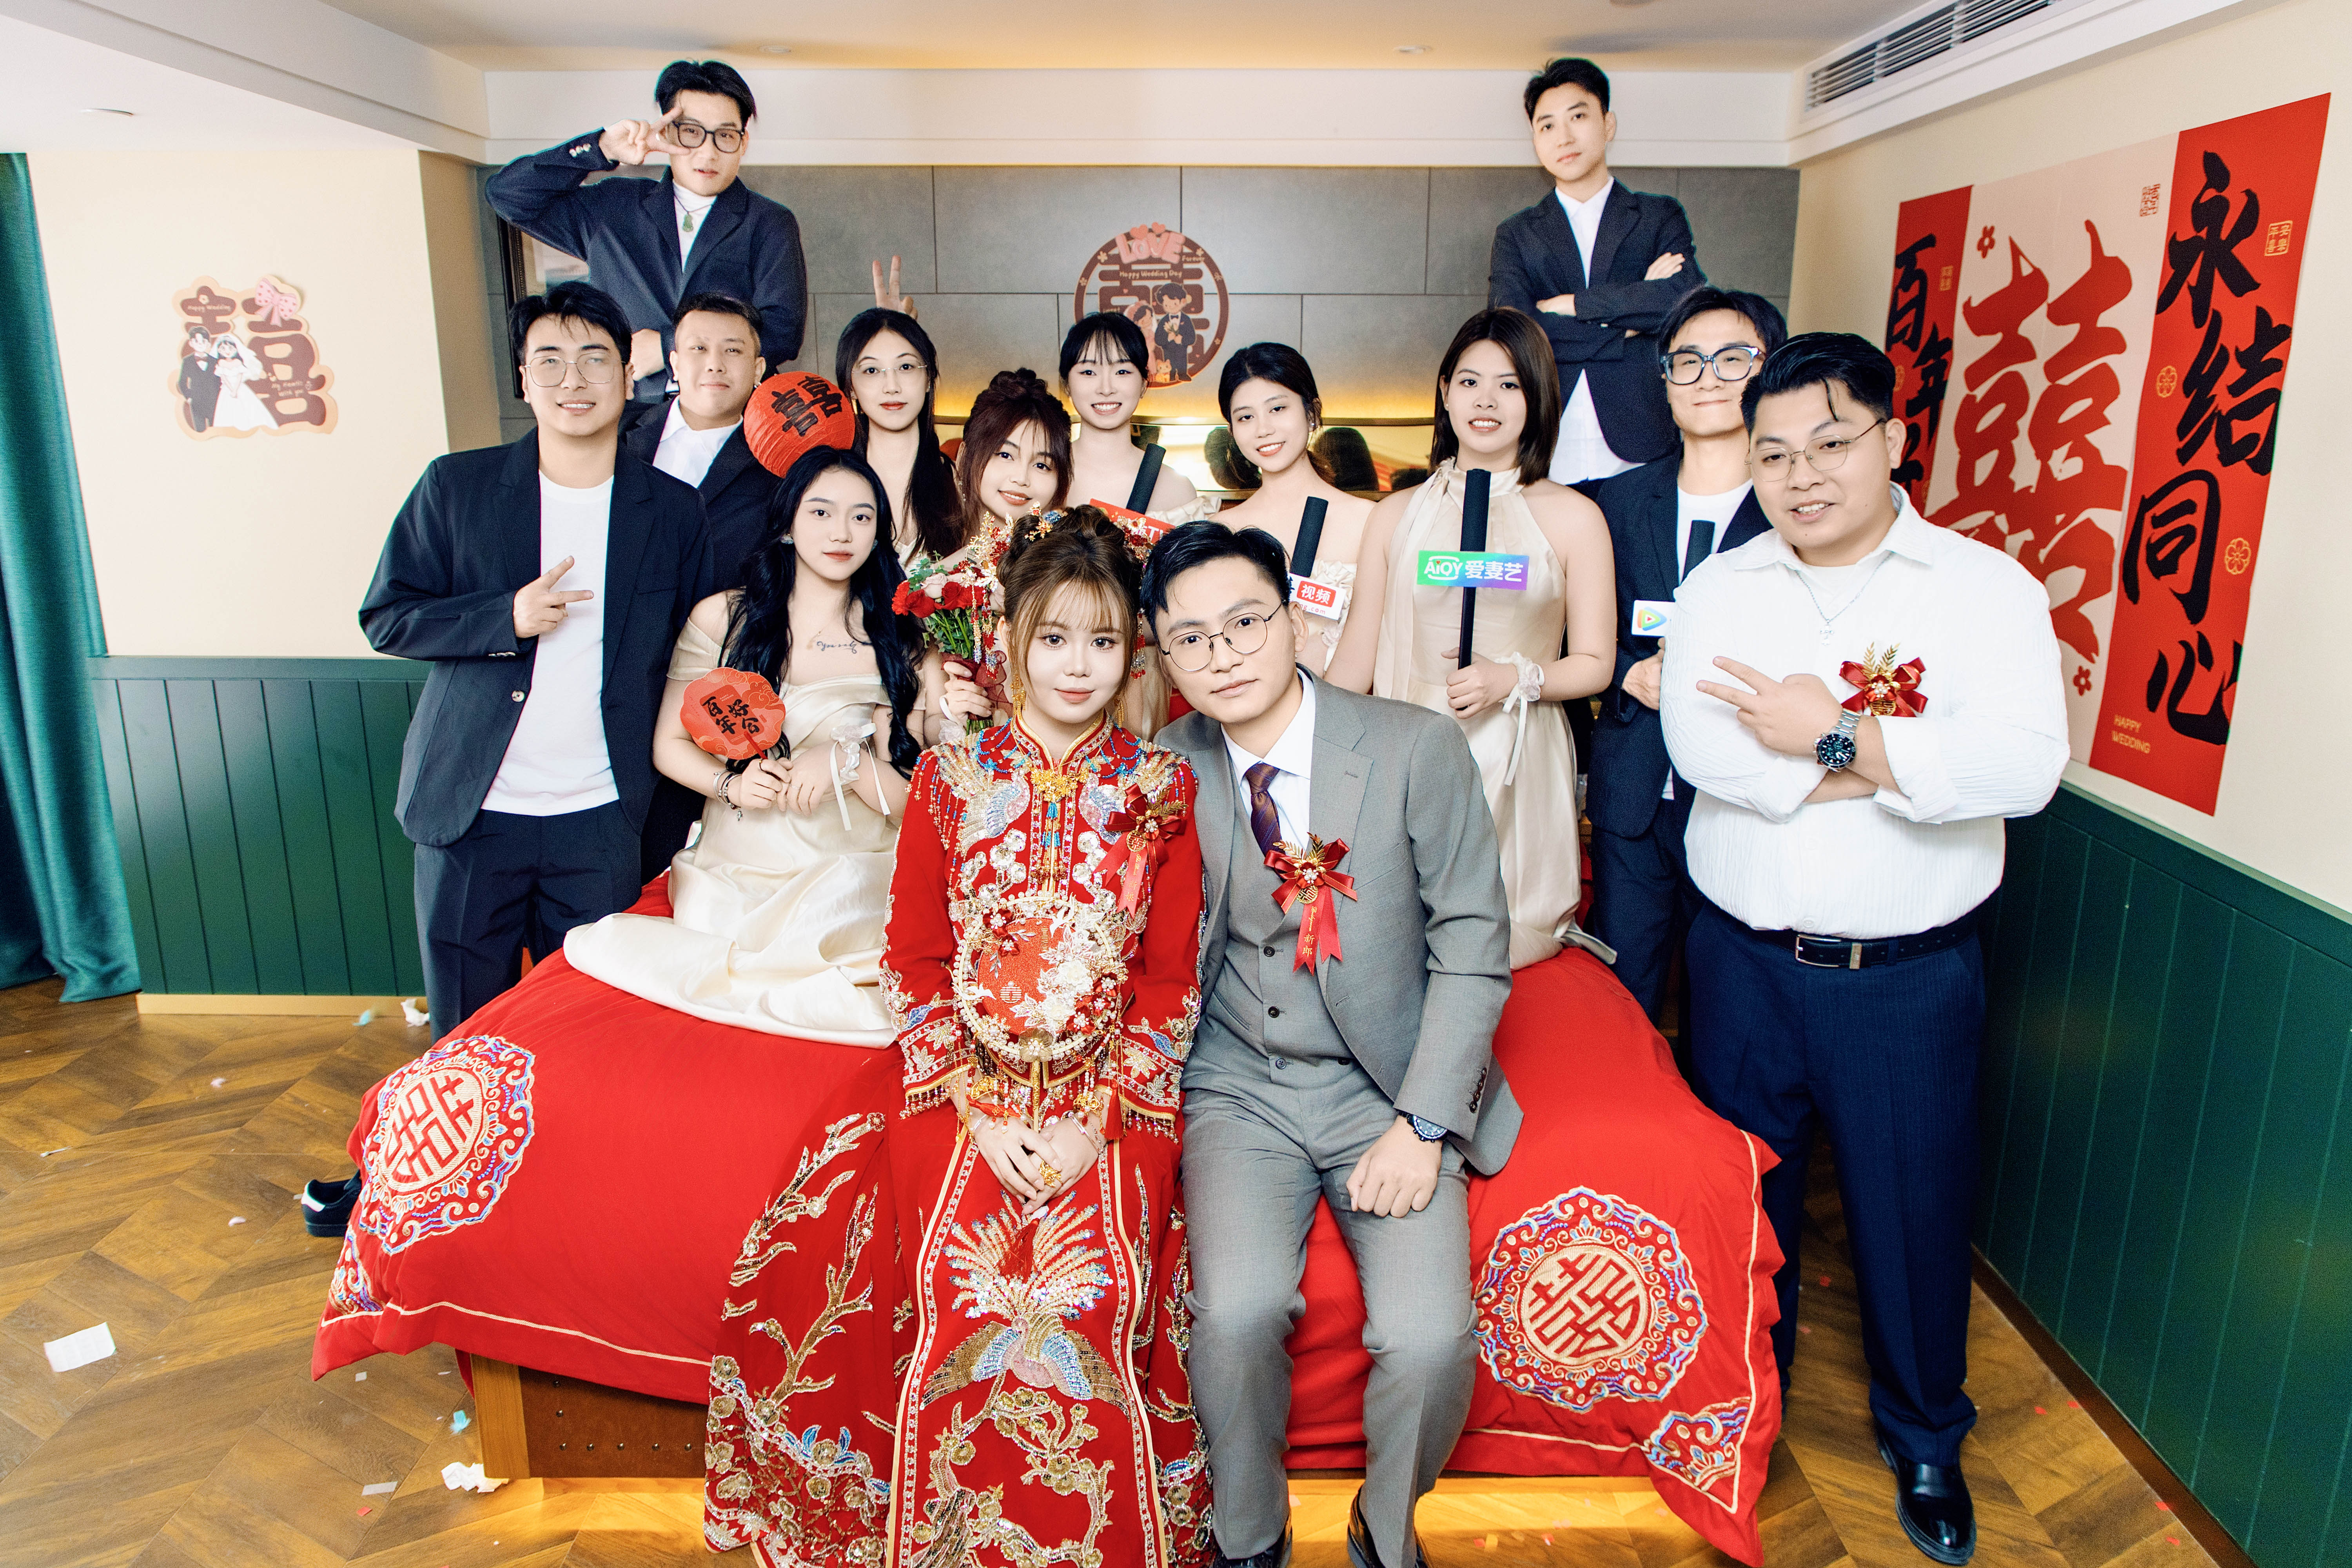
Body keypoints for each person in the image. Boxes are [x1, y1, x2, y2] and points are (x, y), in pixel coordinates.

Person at [704, 507, 1213, 1568]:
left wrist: (1091, 1123)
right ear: (1013, 641)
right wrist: (977, 1110)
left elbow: (1170, 981)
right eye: (1054, 637)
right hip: (962, 1086)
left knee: (1092, 1297)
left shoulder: (1163, 789)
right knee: (951, 1287)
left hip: (1109, 1096)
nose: (1077, 665)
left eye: (1103, 639)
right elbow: (913, 957)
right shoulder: (954, 777)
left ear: (1133, 651)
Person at [1661, 333, 2067, 1566]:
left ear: (1892, 439)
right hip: (1738, 965)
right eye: (1773, 453)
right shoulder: (1721, 589)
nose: (1801, 475)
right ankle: (1744, 1413)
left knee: (1912, 1213)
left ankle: (1925, 1436)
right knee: (1745, 1212)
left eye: (1830, 443)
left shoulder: (1983, 588)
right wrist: (1902, 766)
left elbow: (2018, 771)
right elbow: (1705, 755)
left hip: (1905, 980)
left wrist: (1826, 734)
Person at [1145, 521, 1514, 1568]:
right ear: (1166, 660)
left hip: (1385, 1081)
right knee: (1234, 1312)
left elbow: (1474, 947)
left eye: (1245, 623)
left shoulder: (1412, 747)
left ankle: (1384, 1531)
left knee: (1429, 1340)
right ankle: (1250, 1535)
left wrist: (1424, 1122)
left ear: (1295, 622)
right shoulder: (1163, 768)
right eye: (1191, 640)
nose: (1223, 655)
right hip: (1237, 1083)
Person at [310, 282, 711, 1238]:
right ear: (523, 379)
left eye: (595, 358)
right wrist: (506, 618)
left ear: (629, 374)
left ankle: (566, 1204)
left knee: (592, 1028)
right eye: (550, 361)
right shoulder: (457, 488)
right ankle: (422, 1197)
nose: (574, 379)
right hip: (472, 816)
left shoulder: (672, 510)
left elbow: (698, 648)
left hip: (603, 820)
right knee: (465, 1028)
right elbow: (387, 615)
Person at [567, 445, 933, 1039]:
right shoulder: (723, 619)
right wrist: (731, 785)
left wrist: (845, 761)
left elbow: (914, 807)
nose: (841, 532)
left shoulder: (902, 642)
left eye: (861, 516)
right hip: (736, 867)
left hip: (853, 872)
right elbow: (669, 744)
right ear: (788, 523)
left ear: (878, 533)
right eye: (821, 512)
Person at [1327, 308, 1615, 969]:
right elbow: (1358, 657)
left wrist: (1514, 678)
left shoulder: (1575, 518)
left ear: (1537, 397)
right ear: (1445, 392)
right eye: (1470, 382)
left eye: (1509, 385)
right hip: (1408, 750)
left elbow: (1596, 662)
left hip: (1516, 752)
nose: (1487, 401)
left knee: (1505, 945)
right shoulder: (1394, 515)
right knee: (1398, 940)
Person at [1588, 288, 1784, 1038]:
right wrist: (1624, 672)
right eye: (1688, 361)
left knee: (1731, 1006)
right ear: (1665, 378)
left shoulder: (1794, 506)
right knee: (1621, 996)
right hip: (1634, 790)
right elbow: (1576, 628)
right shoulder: (1617, 501)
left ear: (1769, 371)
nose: (1708, 377)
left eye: (1734, 359)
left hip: (1744, 792)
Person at [487, 59, 806, 393]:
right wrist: (603, 148)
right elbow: (507, 195)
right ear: (666, 132)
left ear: (743, 142)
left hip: (737, 411)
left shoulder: (769, 221)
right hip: (632, 409)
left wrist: (669, 346)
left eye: (725, 136)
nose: (708, 152)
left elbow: (782, 332)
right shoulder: (613, 207)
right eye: (692, 132)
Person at [1488, 57, 1703, 488]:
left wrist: (1575, 305)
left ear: (1608, 125)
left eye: (1578, 117)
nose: (1563, 137)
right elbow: (1513, 330)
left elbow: (1684, 302)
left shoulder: (1658, 215)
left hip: (1643, 441)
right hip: (1545, 444)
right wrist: (1629, 325)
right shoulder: (1517, 233)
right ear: (1535, 140)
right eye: (1547, 126)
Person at [626, 292, 779, 882]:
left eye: (733, 351)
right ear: (673, 362)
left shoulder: (781, 464)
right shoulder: (621, 442)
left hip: (722, 701)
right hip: (620, 691)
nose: (714, 363)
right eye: (698, 349)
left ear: (759, 368)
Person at [1212, 342, 1376, 676]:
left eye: (1277, 409)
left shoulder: (1370, 521)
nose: (1263, 429)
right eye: (1246, 417)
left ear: (1311, 413)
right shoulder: (1222, 531)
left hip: (1345, 702)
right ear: (1233, 431)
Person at [835, 306, 965, 568]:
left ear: (928, 378)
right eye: (872, 371)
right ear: (851, 387)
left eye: (906, 367)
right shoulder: (832, 479)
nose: (892, 387)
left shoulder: (958, 480)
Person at [1061, 310, 1208, 521]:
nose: (1106, 389)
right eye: (1088, 372)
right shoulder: (1040, 476)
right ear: (1066, 384)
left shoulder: (1176, 489)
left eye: (1122, 372)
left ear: (1144, 384)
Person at [209, 333, 277, 432]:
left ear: (236, 349)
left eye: (230, 349)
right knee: (227, 410)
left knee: (248, 408)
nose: (227, 352)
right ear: (219, 351)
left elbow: (239, 377)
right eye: (223, 349)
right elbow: (224, 378)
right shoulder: (221, 363)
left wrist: (235, 390)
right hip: (227, 390)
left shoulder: (238, 362)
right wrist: (231, 390)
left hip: (240, 388)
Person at [1152, 281, 1200, 382]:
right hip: (1168, 352)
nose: (1171, 307)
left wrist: (1182, 340)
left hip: (1182, 350)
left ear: (1183, 302)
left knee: (1182, 362)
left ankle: (1183, 374)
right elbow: (1158, 339)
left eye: (1174, 304)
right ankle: (1172, 374)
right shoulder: (1164, 321)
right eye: (1167, 305)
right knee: (1170, 364)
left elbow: (1192, 338)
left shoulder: (1186, 320)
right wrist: (1168, 339)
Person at [177, 328, 220, 433]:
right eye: (196, 341)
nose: (200, 344)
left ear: (209, 344)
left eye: (204, 341)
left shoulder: (214, 361)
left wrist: (218, 397)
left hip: (213, 401)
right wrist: (189, 397)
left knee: (214, 428)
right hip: (197, 401)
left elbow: (219, 381)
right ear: (191, 343)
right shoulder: (188, 361)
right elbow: (182, 382)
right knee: (200, 429)